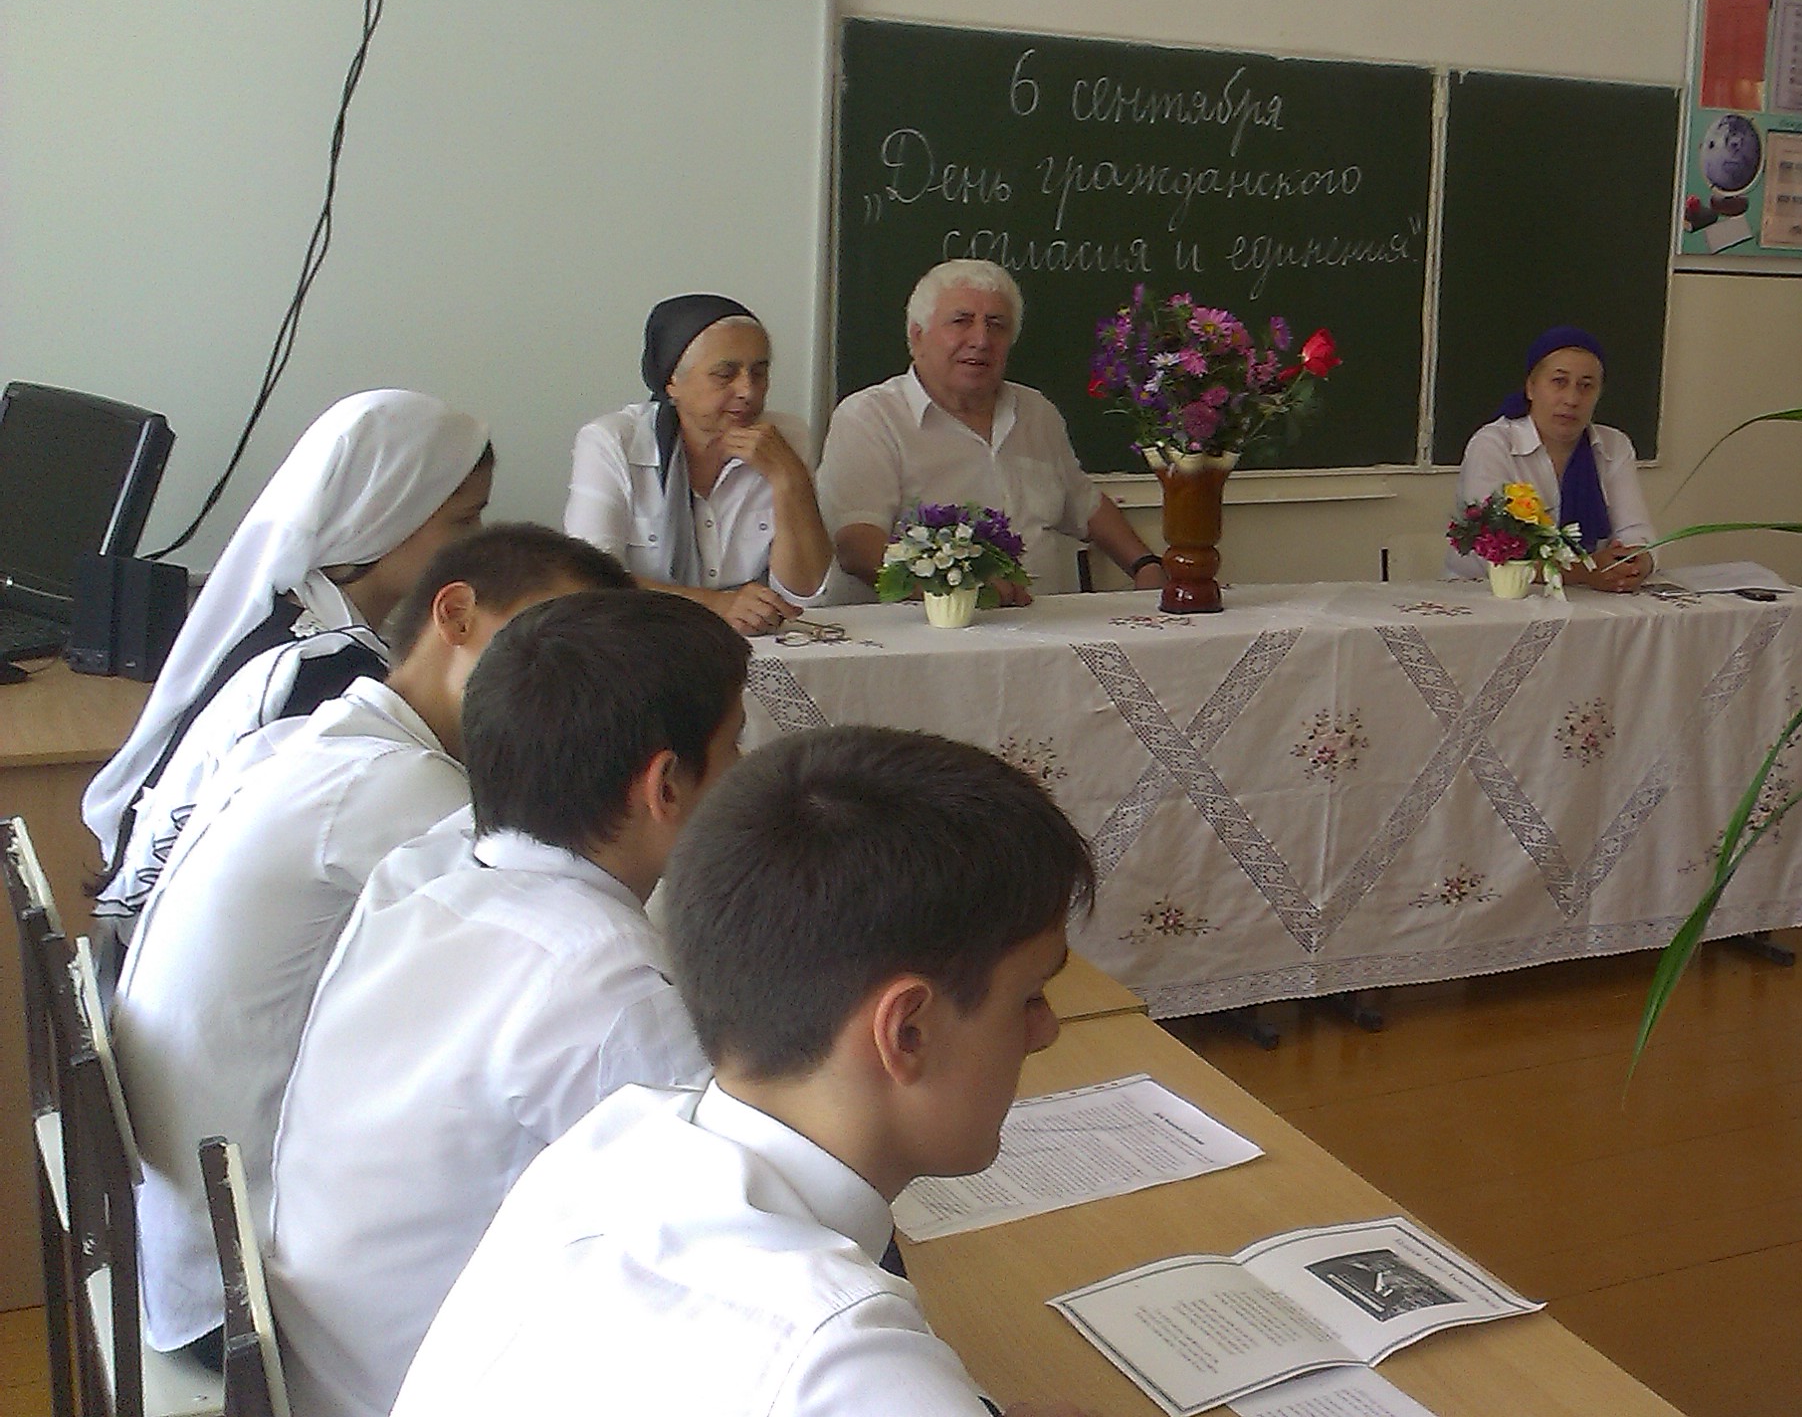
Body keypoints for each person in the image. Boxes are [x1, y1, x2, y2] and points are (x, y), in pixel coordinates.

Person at [388, 725, 1097, 1417]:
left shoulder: (609, 1145)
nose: (1047, 1031)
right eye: (1029, 997)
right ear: (906, 1031)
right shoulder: (839, 1360)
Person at [110, 525, 630, 1361]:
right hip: (248, 1293)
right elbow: (585, 954)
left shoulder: (324, 737)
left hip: (193, 1242)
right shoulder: (395, 788)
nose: (574, 688)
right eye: (551, 641)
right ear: (456, 615)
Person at [263, 589, 750, 1417]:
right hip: (420, 1387)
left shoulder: (427, 871)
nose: (745, 771)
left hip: (330, 1358)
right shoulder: (605, 987)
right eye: (734, 745)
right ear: (665, 784)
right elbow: (726, 1258)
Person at [85, 389, 493, 923]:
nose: (479, 544)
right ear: (383, 517)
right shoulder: (331, 679)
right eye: (465, 520)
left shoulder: (277, 612)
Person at [817, 259, 1161, 601]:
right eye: (961, 321)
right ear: (917, 336)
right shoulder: (871, 417)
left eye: (996, 325)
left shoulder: (1036, 412)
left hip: (1051, 619)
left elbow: (1084, 504)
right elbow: (856, 545)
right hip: (934, 626)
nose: (981, 340)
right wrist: (960, 588)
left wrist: (1145, 565)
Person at [565, 294, 831, 633]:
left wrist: (788, 478)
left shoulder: (786, 438)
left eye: (759, 372)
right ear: (671, 382)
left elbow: (805, 591)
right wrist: (714, 605)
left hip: (761, 639)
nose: (748, 391)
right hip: (638, 636)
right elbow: (587, 582)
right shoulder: (612, 441)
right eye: (725, 374)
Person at [1446, 326, 1656, 592]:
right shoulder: (1493, 444)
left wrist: (1635, 562)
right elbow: (1495, 550)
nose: (1572, 399)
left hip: (1588, 595)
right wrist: (1585, 571)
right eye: (1559, 382)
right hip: (1488, 595)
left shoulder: (1614, 446)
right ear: (1531, 388)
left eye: (1586, 386)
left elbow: (1635, 531)